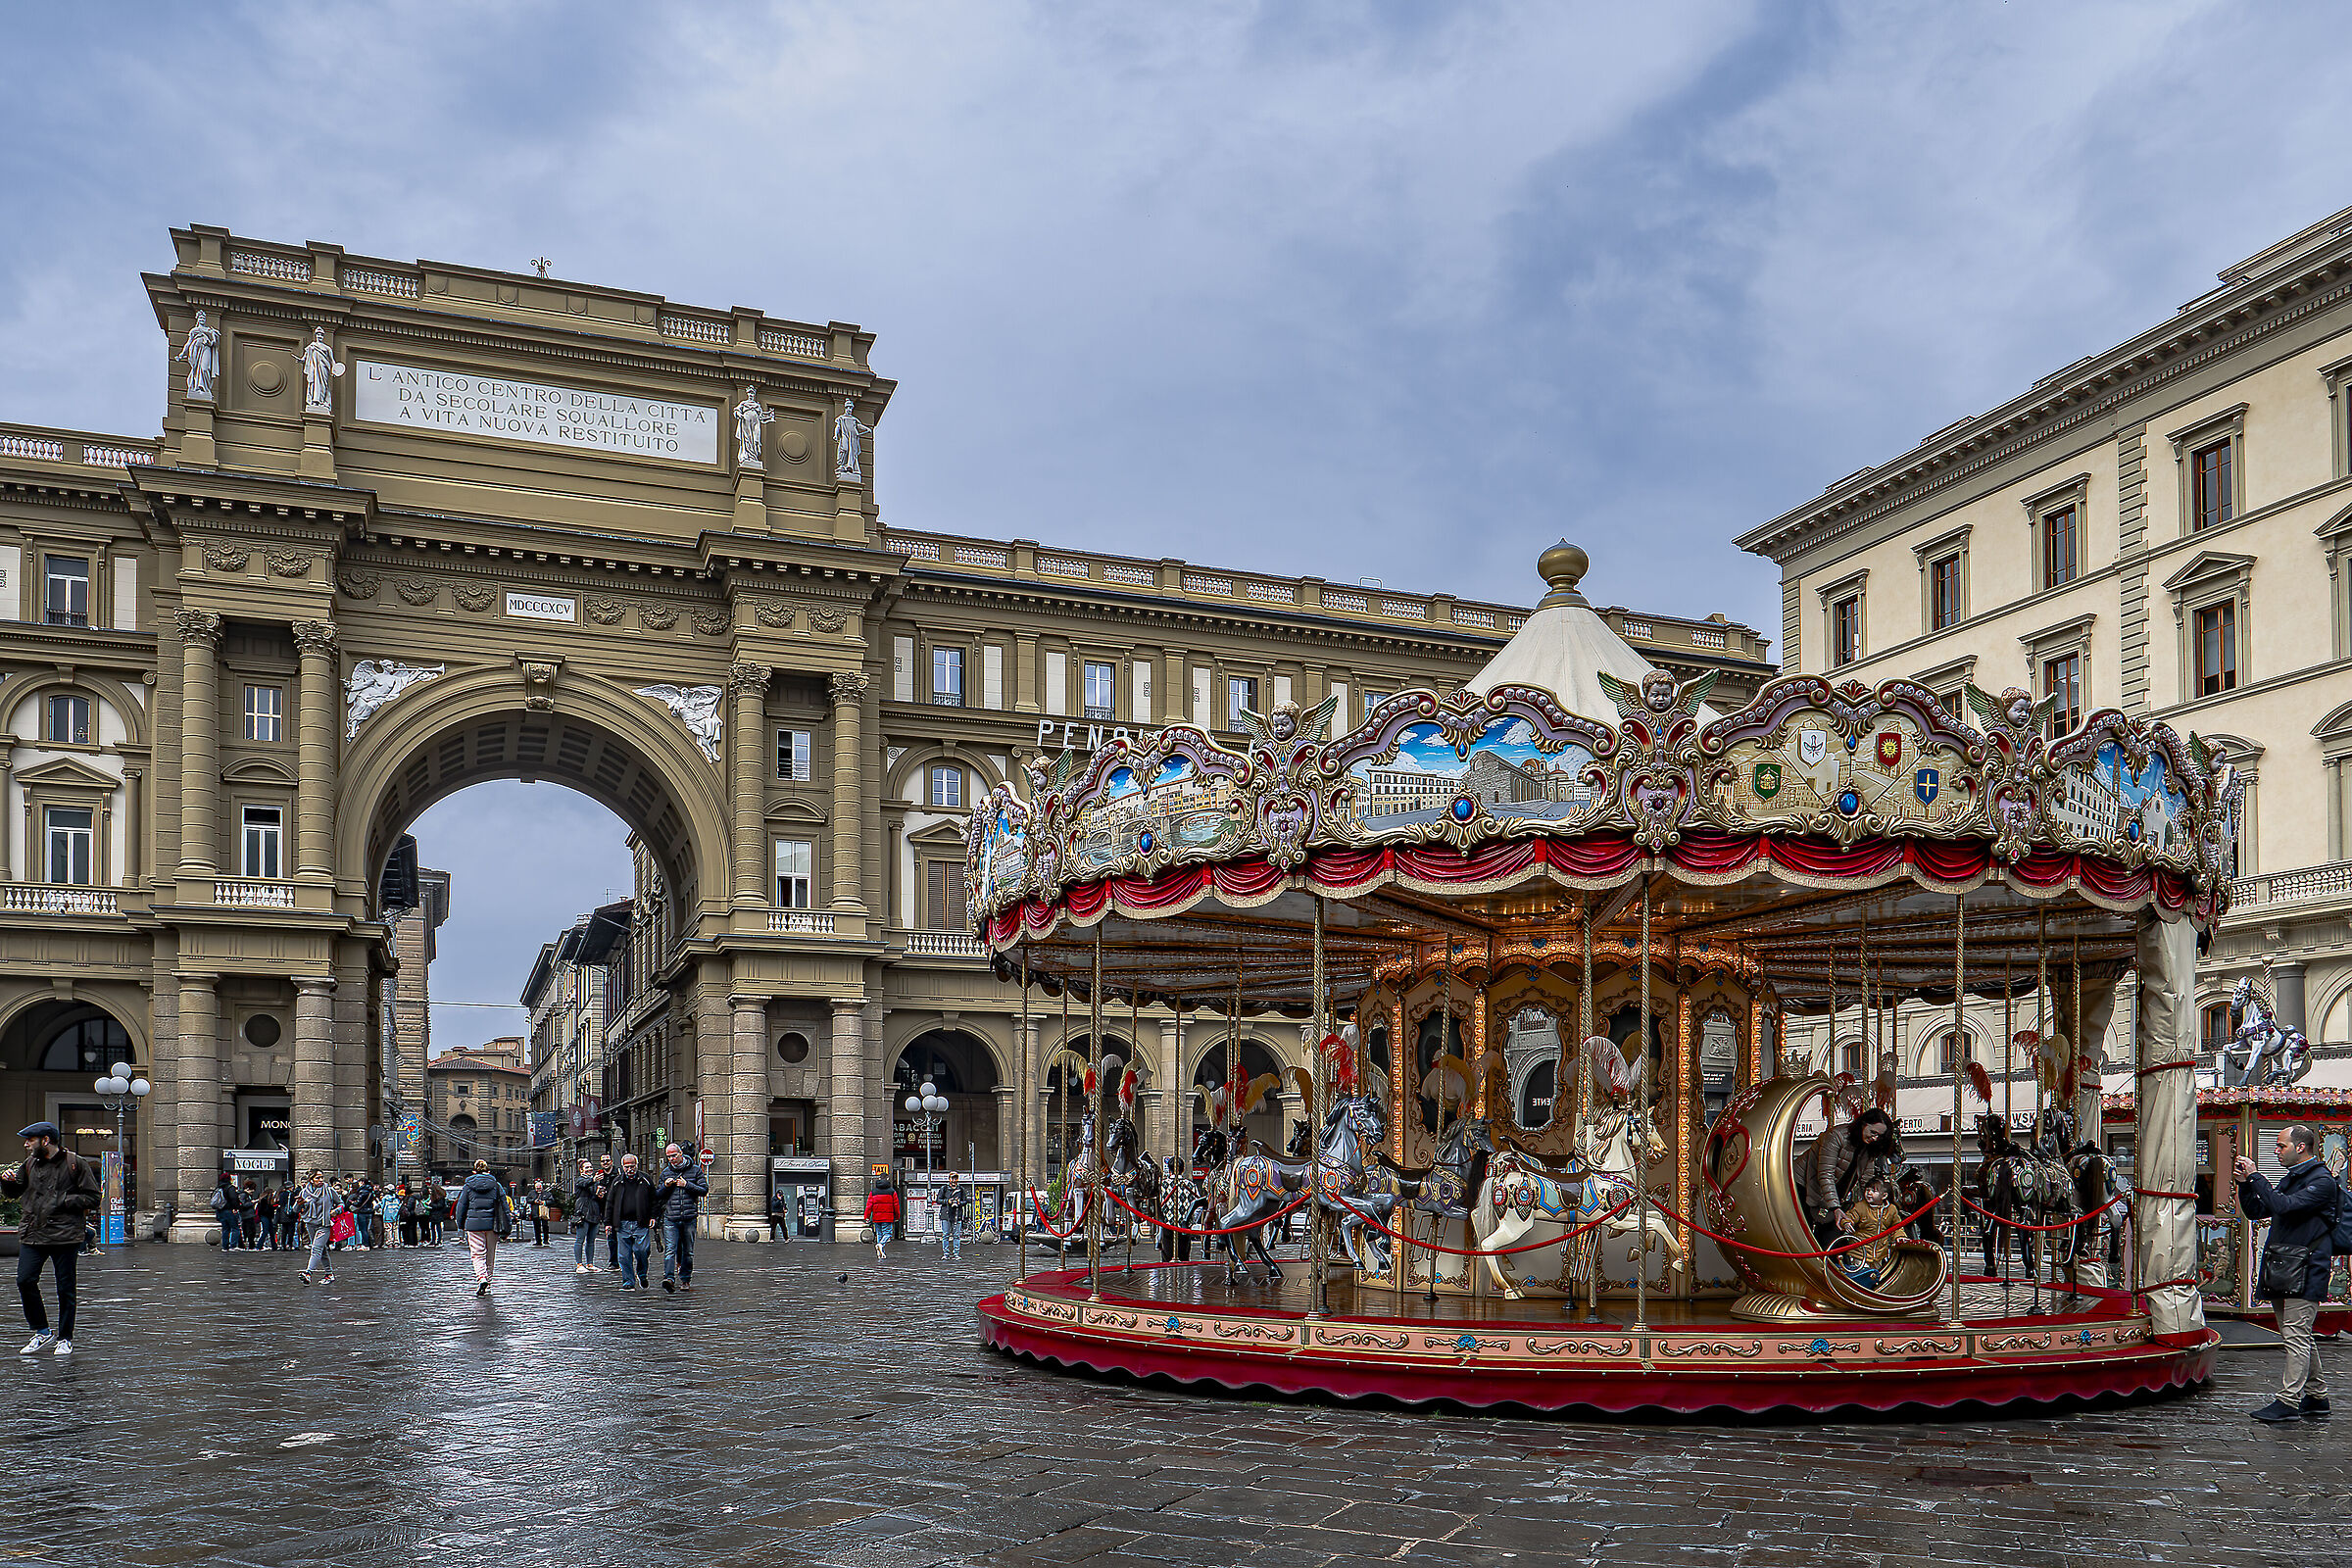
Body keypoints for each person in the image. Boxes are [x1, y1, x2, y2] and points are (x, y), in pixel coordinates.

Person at [2236, 1123, 2339, 1422]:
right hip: (2286, 1266)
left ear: (2301, 1147)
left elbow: (2283, 1205)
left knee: (2296, 1335)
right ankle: (2317, 1397)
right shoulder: (2293, 1178)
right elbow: (2258, 1211)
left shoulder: (2322, 1181)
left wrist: (2256, 1176)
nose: (2276, 1151)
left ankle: (2288, 1401)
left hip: (2307, 1268)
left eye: (2281, 1146)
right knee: (2298, 1334)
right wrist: (2245, 1185)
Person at [3, 1123, 99, 1355]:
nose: (26, 1145)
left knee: (65, 1288)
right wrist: (6, 1182)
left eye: (30, 1140)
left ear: (45, 1140)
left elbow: (93, 1197)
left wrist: (64, 1200)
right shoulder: (29, 1164)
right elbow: (15, 1192)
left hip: (65, 1235)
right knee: (25, 1280)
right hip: (33, 1233)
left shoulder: (75, 1164)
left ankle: (65, 1337)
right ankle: (42, 1331)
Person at [1799, 1107, 1902, 1247]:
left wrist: (1876, 1202)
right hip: (1804, 1185)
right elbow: (1825, 1174)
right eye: (1873, 1132)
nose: (1875, 1138)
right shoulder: (1836, 1136)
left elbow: (1866, 1179)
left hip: (1831, 1194)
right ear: (1863, 1124)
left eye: (1879, 1136)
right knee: (1805, 1233)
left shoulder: (1868, 1148)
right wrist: (1835, 1207)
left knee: (1832, 1235)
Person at [452, 1159, 510, 1297]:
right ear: (488, 1171)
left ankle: (482, 1278)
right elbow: (505, 1207)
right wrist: (507, 1227)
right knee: (490, 1255)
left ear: (474, 1171)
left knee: (477, 1254)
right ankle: (488, 1284)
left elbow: (461, 1206)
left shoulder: (468, 1185)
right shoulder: (496, 1185)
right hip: (492, 1225)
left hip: (473, 1225)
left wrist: (461, 1224)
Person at [1832, 1177, 1902, 1291]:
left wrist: (1900, 1237)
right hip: (1860, 1253)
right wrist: (1846, 1223)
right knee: (1861, 1278)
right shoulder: (1860, 1207)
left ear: (1884, 1195)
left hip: (1879, 1254)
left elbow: (1897, 1227)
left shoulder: (1891, 1210)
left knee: (1876, 1277)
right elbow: (1850, 1216)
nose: (1869, 1193)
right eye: (1867, 1190)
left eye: (1874, 1191)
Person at [656, 1144, 709, 1294]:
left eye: (674, 1155)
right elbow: (658, 1194)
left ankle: (685, 1279)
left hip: (689, 1217)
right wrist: (665, 1186)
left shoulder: (695, 1170)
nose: (671, 1159)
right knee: (670, 1250)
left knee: (688, 1251)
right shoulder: (666, 1172)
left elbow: (704, 1190)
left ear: (681, 1154)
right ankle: (669, 1278)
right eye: (669, 1157)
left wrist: (687, 1184)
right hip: (671, 1217)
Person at [605, 1153, 659, 1290]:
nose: (630, 1169)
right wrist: (608, 1223)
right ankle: (628, 1281)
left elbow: (654, 1200)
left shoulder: (645, 1179)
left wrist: (653, 1216)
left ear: (637, 1165)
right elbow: (610, 1203)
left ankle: (642, 1274)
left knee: (642, 1251)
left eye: (632, 1166)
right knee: (624, 1256)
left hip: (641, 1223)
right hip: (622, 1224)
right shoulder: (617, 1182)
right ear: (623, 1167)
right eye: (627, 1167)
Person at [295, 1169, 341, 1286]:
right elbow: (295, 1210)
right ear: (311, 1180)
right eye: (317, 1178)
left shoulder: (329, 1190)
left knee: (316, 1249)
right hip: (310, 1223)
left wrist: (336, 1211)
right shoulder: (304, 1192)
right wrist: (299, 1203)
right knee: (322, 1250)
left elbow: (341, 1203)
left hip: (324, 1224)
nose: (321, 1180)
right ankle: (329, 1274)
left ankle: (308, 1273)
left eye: (322, 1177)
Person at [570, 1159, 604, 1274]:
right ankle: (579, 1264)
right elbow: (584, 1183)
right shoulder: (580, 1179)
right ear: (581, 1170)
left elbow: (596, 1196)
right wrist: (593, 1180)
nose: (589, 1169)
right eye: (587, 1167)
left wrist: (600, 1194)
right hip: (583, 1212)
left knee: (591, 1241)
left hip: (594, 1212)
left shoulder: (595, 1182)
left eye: (590, 1167)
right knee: (580, 1239)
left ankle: (590, 1264)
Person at [865, 1174, 901, 1260]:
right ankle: (881, 1244)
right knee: (888, 1233)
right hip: (888, 1217)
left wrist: (867, 1216)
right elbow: (896, 1205)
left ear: (879, 1179)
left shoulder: (873, 1192)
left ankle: (881, 1253)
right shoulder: (892, 1191)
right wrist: (897, 1216)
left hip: (876, 1217)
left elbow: (869, 1205)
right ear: (887, 1179)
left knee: (879, 1234)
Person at [940, 1172, 972, 1261]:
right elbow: (938, 1200)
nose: (954, 1180)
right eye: (952, 1178)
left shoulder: (961, 1189)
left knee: (956, 1235)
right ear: (949, 1179)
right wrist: (948, 1201)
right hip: (946, 1215)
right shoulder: (944, 1188)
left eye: (955, 1178)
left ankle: (956, 1254)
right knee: (945, 1235)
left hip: (957, 1215)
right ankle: (946, 1254)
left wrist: (959, 1203)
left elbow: (965, 1201)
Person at [210, 1172, 245, 1251]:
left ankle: (225, 1247)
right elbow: (233, 1198)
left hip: (220, 1211)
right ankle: (233, 1246)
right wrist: (237, 1207)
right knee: (235, 1228)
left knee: (225, 1229)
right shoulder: (230, 1187)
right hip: (229, 1210)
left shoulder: (218, 1188)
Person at [597, 1155, 620, 1270]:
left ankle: (623, 1260)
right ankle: (614, 1262)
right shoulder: (599, 1176)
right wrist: (598, 1195)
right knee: (611, 1238)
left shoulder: (618, 1174)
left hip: (618, 1209)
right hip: (606, 1210)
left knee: (622, 1237)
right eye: (603, 1161)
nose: (605, 1163)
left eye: (607, 1161)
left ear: (611, 1162)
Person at [527, 1179, 554, 1247]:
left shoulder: (547, 1193)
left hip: (544, 1212)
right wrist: (534, 1201)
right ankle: (538, 1241)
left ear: (542, 1188)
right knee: (536, 1227)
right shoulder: (531, 1193)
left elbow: (551, 1201)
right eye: (537, 1188)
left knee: (545, 1226)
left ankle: (546, 1240)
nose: (538, 1190)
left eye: (539, 1188)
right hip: (535, 1212)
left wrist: (544, 1202)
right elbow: (528, 1200)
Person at [377, 1184, 402, 1249]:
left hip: (387, 1215)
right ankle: (396, 1242)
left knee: (388, 1229)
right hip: (396, 1215)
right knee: (395, 1229)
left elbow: (382, 1206)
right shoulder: (396, 1197)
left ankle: (389, 1242)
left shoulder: (385, 1198)